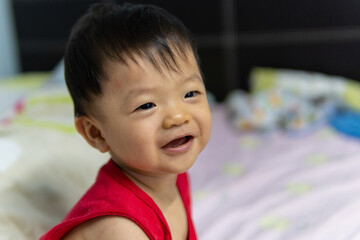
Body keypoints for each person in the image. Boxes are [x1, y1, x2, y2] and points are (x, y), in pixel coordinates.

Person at [40, 2, 211, 240]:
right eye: (146, 105)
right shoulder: (122, 229)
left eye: (190, 93)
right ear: (96, 133)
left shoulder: (170, 175)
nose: (177, 117)